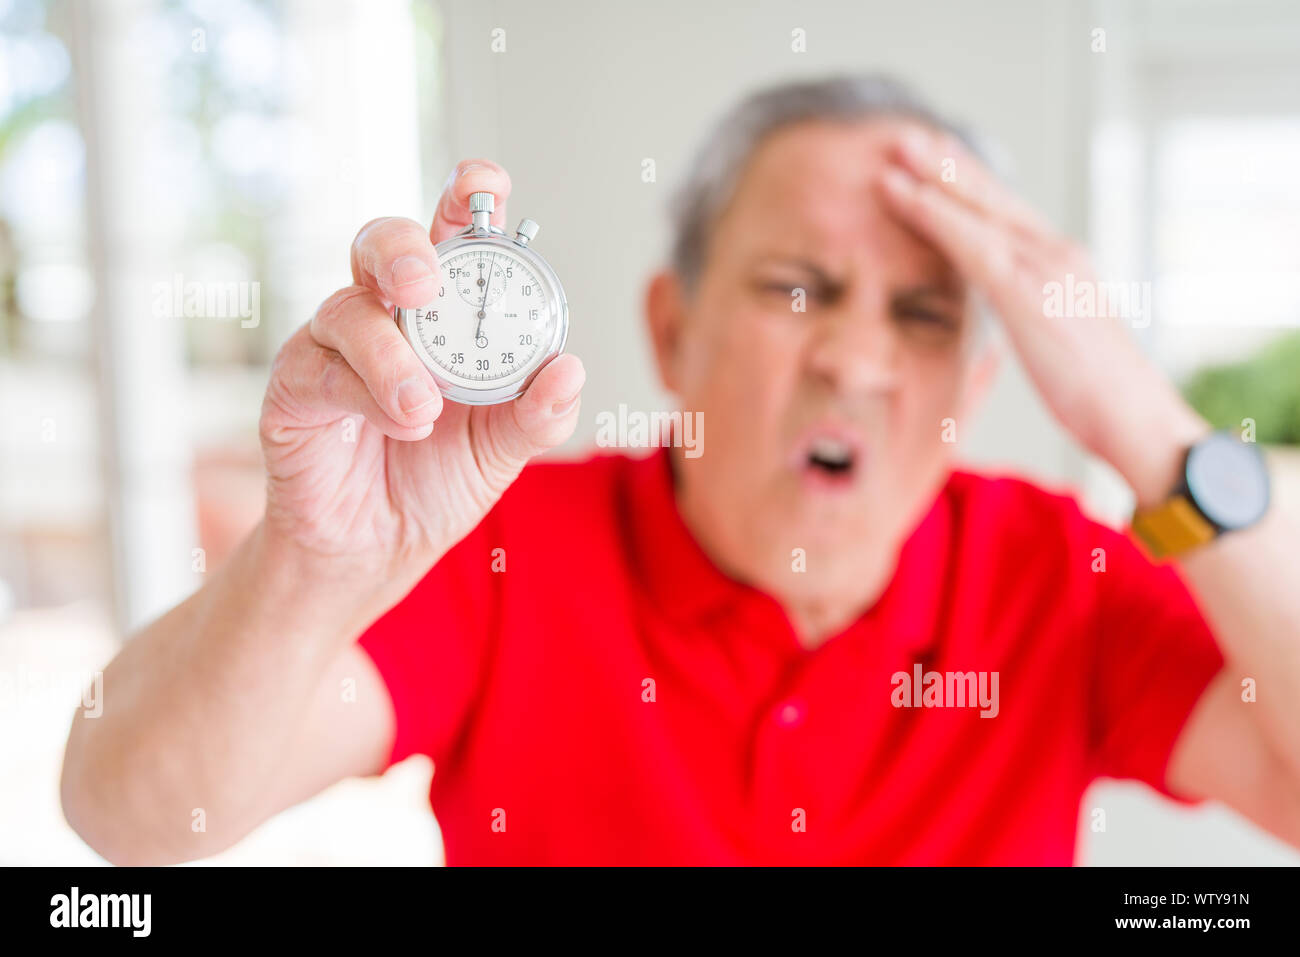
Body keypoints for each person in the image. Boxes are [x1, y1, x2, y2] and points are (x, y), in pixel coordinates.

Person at [60, 76, 1300, 865]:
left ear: (975, 385)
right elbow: (134, 819)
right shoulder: (498, 538)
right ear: (669, 330)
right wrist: (315, 568)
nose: (858, 361)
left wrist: (1149, 431)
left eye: (924, 314)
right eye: (795, 288)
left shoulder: (1055, 576)